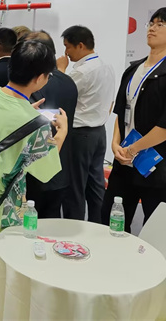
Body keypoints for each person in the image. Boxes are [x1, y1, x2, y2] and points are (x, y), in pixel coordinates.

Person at [0, 40, 67, 321]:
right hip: (3, 203)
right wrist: (61, 134)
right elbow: (45, 169)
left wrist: (27, 110)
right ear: (40, 78)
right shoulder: (36, 121)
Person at [101, 8, 166, 232]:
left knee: (157, 229)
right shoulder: (133, 69)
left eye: (160, 24)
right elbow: (121, 112)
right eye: (151, 23)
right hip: (125, 161)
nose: (152, 28)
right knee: (111, 220)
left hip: (159, 165)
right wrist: (116, 145)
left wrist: (133, 149)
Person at [57, 25, 115, 223]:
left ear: (80, 45)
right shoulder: (106, 67)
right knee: (96, 184)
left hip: (79, 134)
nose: (66, 52)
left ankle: (74, 228)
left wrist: (60, 70)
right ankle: (99, 226)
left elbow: (61, 92)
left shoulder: (82, 72)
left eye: (68, 46)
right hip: (99, 132)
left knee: (74, 186)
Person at [24, 31, 78, 218]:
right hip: (60, 167)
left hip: (36, 167)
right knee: (52, 220)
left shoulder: (31, 83)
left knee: (29, 223)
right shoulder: (68, 81)